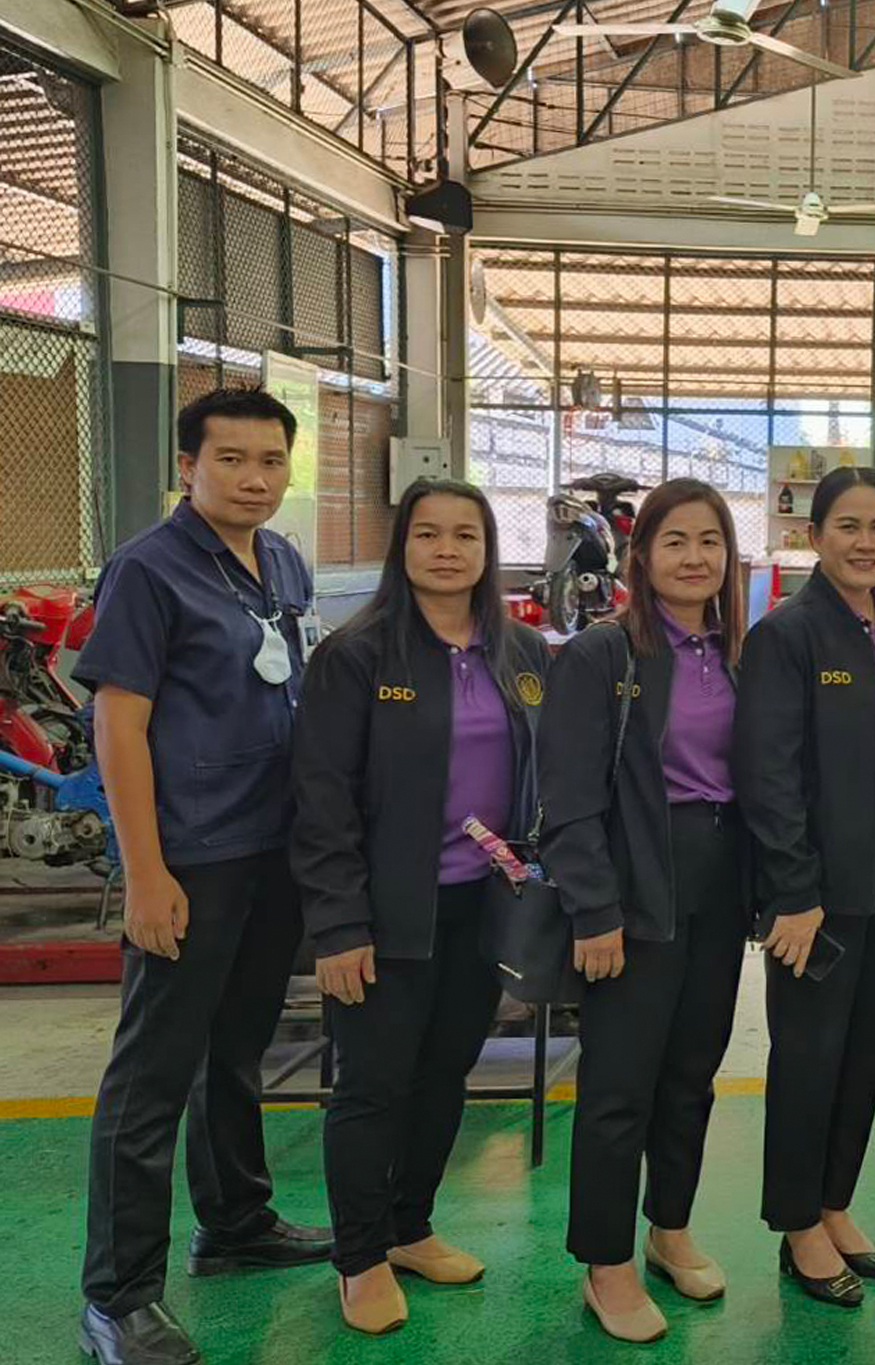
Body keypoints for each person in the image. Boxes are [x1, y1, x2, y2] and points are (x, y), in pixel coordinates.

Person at [74, 388, 332, 1365]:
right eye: (231, 459)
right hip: (191, 856)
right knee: (151, 1076)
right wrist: (145, 874)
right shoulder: (147, 571)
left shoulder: (283, 563)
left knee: (237, 1049)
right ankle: (119, 1297)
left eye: (271, 460)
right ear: (188, 465)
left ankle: (235, 1223)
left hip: (273, 852)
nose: (254, 478)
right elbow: (118, 727)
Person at [291, 480, 548, 1334]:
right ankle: (359, 1257)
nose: (447, 549)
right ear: (403, 546)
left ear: (486, 549)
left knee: (444, 1074)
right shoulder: (358, 655)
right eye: (428, 533)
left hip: (481, 910)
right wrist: (337, 923)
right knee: (370, 1086)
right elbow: (320, 798)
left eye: (465, 535)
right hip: (385, 912)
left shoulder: (520, 654)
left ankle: (409, 1226)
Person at [540, 479, 754, 1342]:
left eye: (710, 541)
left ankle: (668, 1227)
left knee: (691, 1075)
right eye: (675, 542)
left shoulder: (739, 650)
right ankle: (607, 1262)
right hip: (633, 885)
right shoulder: (603, 655)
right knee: (618, 1088)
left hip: (718, 882)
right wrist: (595, 909)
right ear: (642, 556)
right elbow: (568, 794)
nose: (694, 557)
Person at [736, 466, 875, 1310]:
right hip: (815, 875)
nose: (866, 542)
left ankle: (834, 1202)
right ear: (813, 537)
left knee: (863, 1049)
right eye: (847, 526)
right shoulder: (789, 633)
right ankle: (796, 1224)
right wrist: (794, 889)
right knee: (811, 1050)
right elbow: (767, 772)